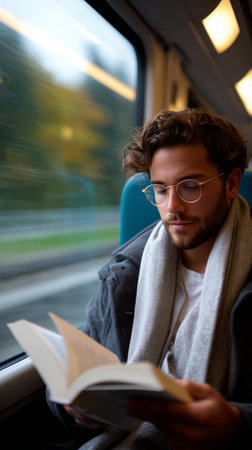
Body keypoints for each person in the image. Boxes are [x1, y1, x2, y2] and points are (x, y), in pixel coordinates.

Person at [47, 109, 252, 449]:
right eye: (160, 189)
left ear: (230, 184)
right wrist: (70, 407)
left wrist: (237, 424)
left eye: (190, 187)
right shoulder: (124, 272)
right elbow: (79, 368)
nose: (173, 207)